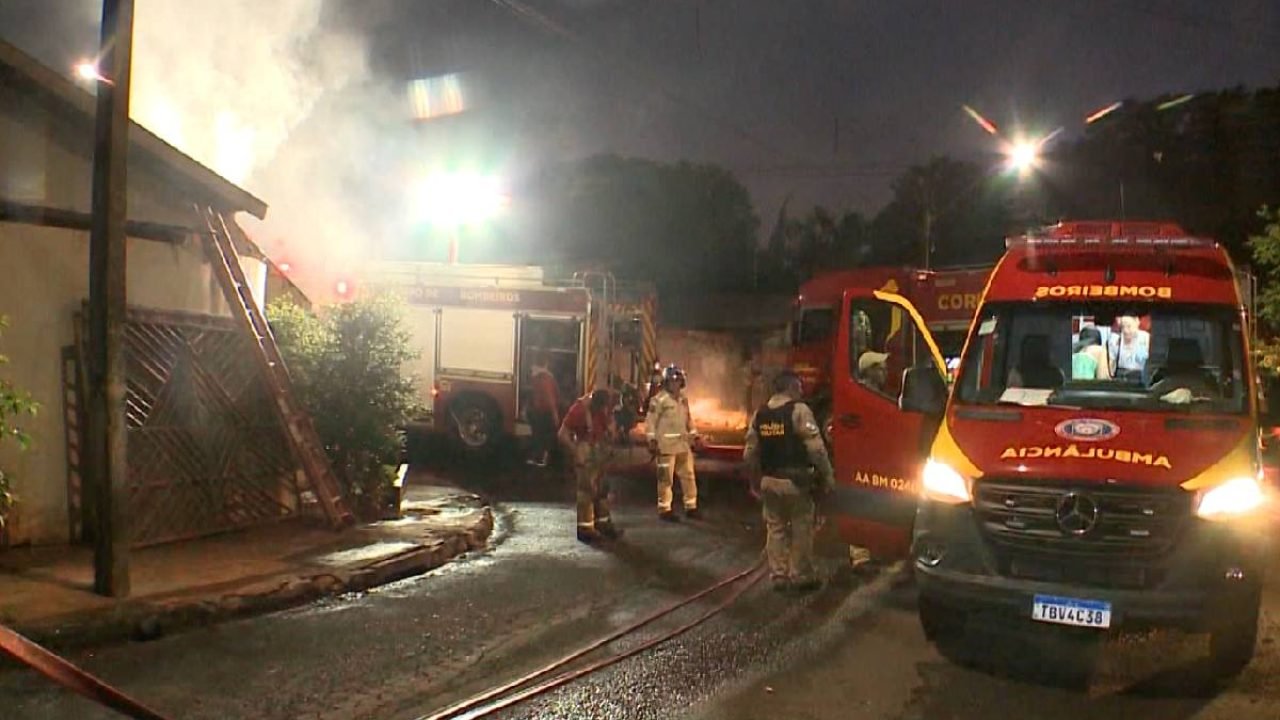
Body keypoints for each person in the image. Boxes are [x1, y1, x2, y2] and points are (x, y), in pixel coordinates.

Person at [743, 370, 835, 593]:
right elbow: (817, 449)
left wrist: (755, 480)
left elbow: (749, 453)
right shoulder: (799, 411)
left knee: (775, 527)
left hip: (769, 481)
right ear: (791, 387)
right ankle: (800, 575)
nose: (802, 391)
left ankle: (779, 575)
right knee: (802, 526)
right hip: (795, 482)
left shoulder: (760, 414)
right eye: (800, 387)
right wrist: (828, 476)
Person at [559, 389, 623, 544]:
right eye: (602, 408)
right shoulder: (579, 409)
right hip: (586, 450)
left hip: (599, 451)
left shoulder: (605, 408)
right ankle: (585, 528)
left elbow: (609, 429)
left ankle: (603, 523)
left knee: (602, 489)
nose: (604, 411)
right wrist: (575, 451)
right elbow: (562, 434)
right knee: (586, 491)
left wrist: (612, 432)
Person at [647, 364, 700, 521]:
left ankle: (691, 507)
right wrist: (651, 440)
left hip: (683, 446)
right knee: (665, 479)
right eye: (672, 381)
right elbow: (650, 421)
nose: (675, 384)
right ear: (666, 382)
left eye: (678, 381)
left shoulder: (683, 400)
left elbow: (688, 420)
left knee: (689, 477)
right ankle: (665, 509)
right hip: (665, 447)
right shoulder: (658, 400)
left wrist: (695, 436)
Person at [527, 351, 560, 467]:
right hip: (545, 411)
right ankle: (544, 459)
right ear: (546, 363)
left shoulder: (535, 376)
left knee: (538, 435)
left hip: (537, 410)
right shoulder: (546, 378)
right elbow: (550, 397)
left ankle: (538, 458)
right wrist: (555, 413)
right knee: (547, 436)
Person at [1109, 315, 1150, 382]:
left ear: (1137, 322)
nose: (1125, 330)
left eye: (1129, 326)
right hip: (1120, 377)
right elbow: (1111, 363)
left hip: (1140, 377)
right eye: (1123, 327)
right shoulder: (1115, 340)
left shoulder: (1146, 338)